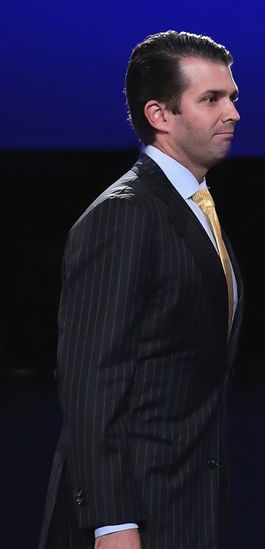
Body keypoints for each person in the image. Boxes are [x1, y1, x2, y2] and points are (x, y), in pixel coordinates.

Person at [38, 30, 243, 549]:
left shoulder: (194, 208)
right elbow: (91, 381)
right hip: (136, 514)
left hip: (188, 502)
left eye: (232, 97)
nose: (232, 113)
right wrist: (111, 521)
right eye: (211, 99)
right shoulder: (125, 215)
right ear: (159, 115)